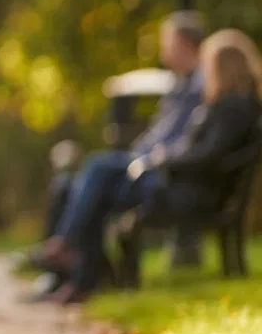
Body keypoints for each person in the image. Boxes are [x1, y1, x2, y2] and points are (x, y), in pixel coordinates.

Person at [48, 29, 262, 301]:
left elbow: (208, 156)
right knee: (97, 181)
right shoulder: (233, 107)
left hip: (187, 193)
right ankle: (80, 276)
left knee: (99, 175)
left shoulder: (231, 109)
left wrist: (164, 159)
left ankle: (76, 265)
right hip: (183, 186)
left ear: (223, 67)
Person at [30, 11, 206, 292]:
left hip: (160, 174)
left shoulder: (199, 88)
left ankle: (66, 250)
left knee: (98, 169)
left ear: (185, 43)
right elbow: (159, 135)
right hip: (148, 166)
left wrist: (148, 157)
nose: (163, 51)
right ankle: (71, 279)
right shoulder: (180, 85)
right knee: (69, 185)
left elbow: (185, 142)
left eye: (167, 43)